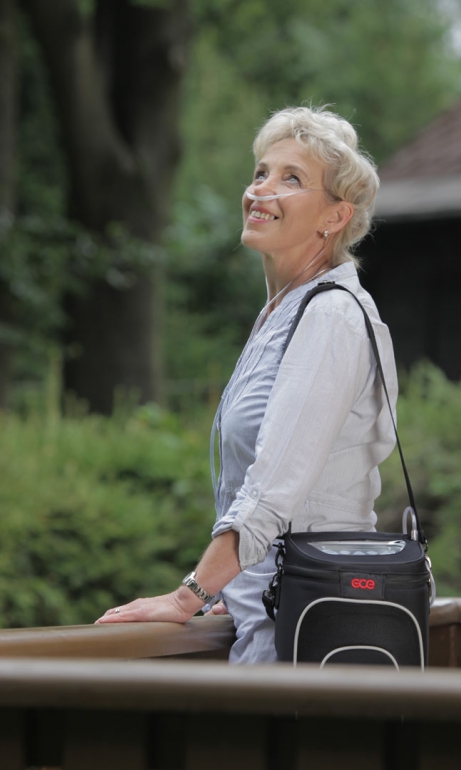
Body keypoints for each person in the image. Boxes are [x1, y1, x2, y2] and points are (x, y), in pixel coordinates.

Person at [96, 106, 398, 665]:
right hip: (273, 614)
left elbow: (271, 490)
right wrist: (231, 591)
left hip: (310, 631)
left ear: (335, 217)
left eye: (292, 179)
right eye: (261, 172)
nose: (262, 190)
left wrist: (189, 595)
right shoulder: (282, 314)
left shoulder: (330, 317)